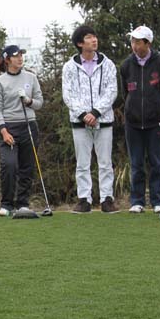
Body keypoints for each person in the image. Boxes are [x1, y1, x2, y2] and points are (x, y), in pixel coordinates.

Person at [62, 25, 119, 214]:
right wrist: (83, 114)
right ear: (80, 43)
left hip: (104, 120)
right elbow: (68, 94)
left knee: (105, 162)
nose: (94, 40)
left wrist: (95, 112)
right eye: (89, 37)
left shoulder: (108, 64)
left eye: (95, 36)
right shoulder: (69, 67)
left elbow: (112, 90)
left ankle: (107, 199)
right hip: (79, 122)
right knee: (82, 163)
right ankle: (84, 200)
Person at [120, 26, 160, 214]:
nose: (134, 45)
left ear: (147, 43)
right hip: (132, 122)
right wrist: (131, 109)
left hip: (155, 122)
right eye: (132, 41)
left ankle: (158, 201)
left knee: (157, 163)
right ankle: (137, 201)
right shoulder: (126, 65)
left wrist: (157, 109)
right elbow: (125, 92)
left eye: (138, 42)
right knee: (136, 163)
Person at [0, 45, 43, 216]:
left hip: (28, 125)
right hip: (8, 127)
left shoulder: (31, 77)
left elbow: (39, 103)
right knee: (9, 165)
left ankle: (22, 203)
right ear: (7, 60)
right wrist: (4, 131)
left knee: (27, 166)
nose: (20, 58)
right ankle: (6, 204)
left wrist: (28, 100)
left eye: (21, 55)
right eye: (16, 56)